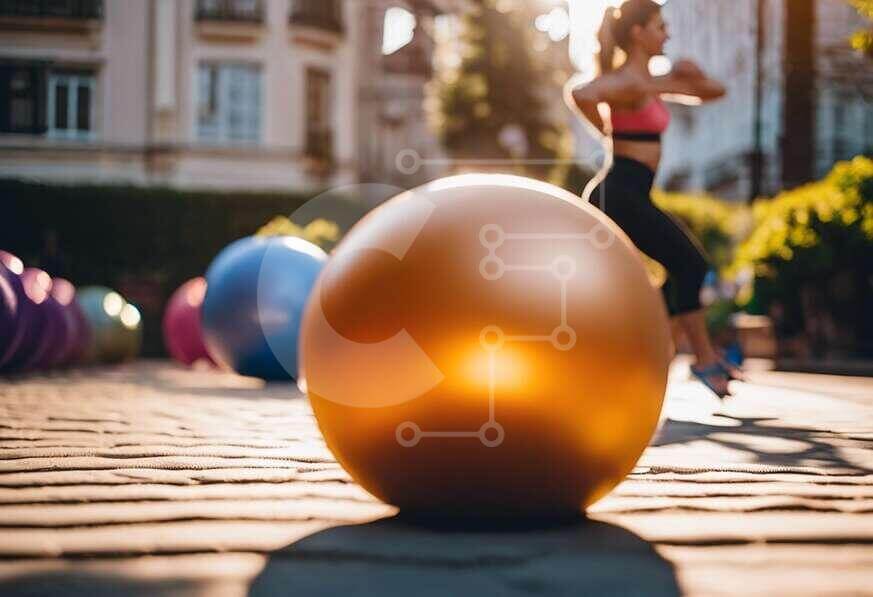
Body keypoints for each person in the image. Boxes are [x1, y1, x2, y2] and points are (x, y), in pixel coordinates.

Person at [564, 0, 742, 397]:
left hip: (634, 192)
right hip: (617, 193)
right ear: (638, 33)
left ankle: (652, 360)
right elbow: (580, 92)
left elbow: (716, 91)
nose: (669, 35)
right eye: (661, 27)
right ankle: (703, 359)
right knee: (690, 265)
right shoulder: (627, 82)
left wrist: (688, 77)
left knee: (678, 275)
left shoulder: (650, 81)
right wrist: (608, 130)